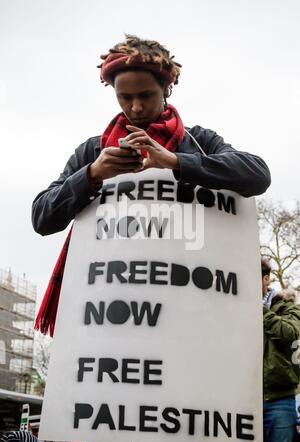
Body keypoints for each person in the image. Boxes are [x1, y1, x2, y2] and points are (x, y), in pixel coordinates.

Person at [32, 34, 271, 336]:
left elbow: (258, 174)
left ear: (167, 89)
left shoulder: (198, 142)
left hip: (187, 306)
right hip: (109, 305)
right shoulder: (93, 152)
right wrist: (91, 174)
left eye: (145, 96)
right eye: (124, 98)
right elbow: (41, 217)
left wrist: (176, 162)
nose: (135, 108)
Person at [261, 259, 300, 442]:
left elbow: (290, 334)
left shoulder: (287, 306)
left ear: (266, 279)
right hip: (240, 400)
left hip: (279, 400)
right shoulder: (233, 307)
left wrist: (259, 311)